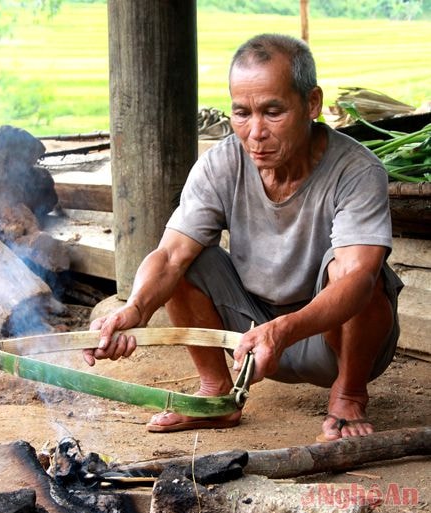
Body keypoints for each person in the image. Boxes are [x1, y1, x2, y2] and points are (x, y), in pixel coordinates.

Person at [82, 33, 403, 442]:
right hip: (247, 333)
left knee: (359, 273)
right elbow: (170, 256)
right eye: (241, 113)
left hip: (331, 341)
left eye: (272, 112)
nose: (255, 132)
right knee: (188, 259)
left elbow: (358, 279)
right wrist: (134, 309)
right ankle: (217, 394)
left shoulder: (357, 170)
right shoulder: (220, 163)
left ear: (312, 104)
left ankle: (349, 395)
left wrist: (283, 330)